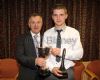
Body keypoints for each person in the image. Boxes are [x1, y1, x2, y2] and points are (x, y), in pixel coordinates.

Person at [43, 4, 83, 80]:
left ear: (66, 16)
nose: (58, 18)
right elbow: (45, 56)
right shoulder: (46, 33)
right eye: (55, 15)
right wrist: (52, 68)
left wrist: (61, 52)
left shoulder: (74, 33)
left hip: (67, 69)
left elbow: (79, 54)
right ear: (52, 17)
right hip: (50, 69)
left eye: (61, 15)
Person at [15, 13, 46, 80]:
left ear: (42, 24)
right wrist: (35, 61)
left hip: (45, 75)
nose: (36, 25)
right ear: (29, 24)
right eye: (33, 22)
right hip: (27, 75)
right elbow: (19, 56)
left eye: (38, 22)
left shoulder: (46, 38)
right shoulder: (21, 38)